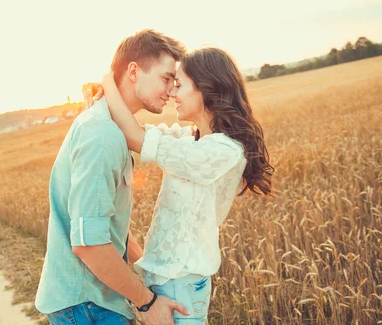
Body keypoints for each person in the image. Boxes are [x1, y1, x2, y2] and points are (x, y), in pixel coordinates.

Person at [86, 47, 274, 323]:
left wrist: (108, 82)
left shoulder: (222, 151)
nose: (172, 93)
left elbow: (136, 138)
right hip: (170, 280)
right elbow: (134, 133)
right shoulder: (191, 139)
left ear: (206, 89)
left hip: (179, 285)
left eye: (179, 84)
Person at [35, 29, 192, 325]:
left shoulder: (110, 126)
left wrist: (145, 272)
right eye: (165, 78)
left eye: (175, 81)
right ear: (134, 71)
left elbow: (104, 224)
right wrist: (148, 303)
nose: (172, 90)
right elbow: (89, 244)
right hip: (87, 304)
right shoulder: (102, 134)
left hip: (93, 300)